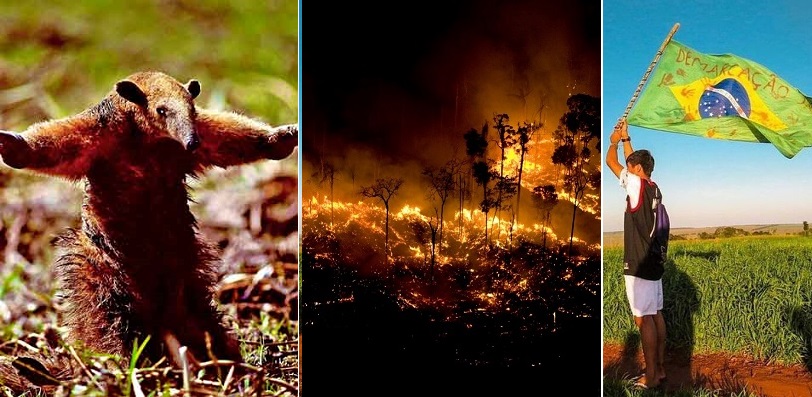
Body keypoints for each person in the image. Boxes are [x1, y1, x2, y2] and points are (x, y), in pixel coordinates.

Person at [606, 119, 667, 389]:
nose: (627, 169)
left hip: (639, 263)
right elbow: (632, 162)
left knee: (643, 319)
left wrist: (614, 142)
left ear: (637, 169)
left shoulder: (635, 184)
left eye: (631, 166)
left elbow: (611, 162)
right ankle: (661, 369)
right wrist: (627, 137)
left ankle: (651, 375)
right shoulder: (654, 187)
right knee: (656, 315)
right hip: (654, 262)